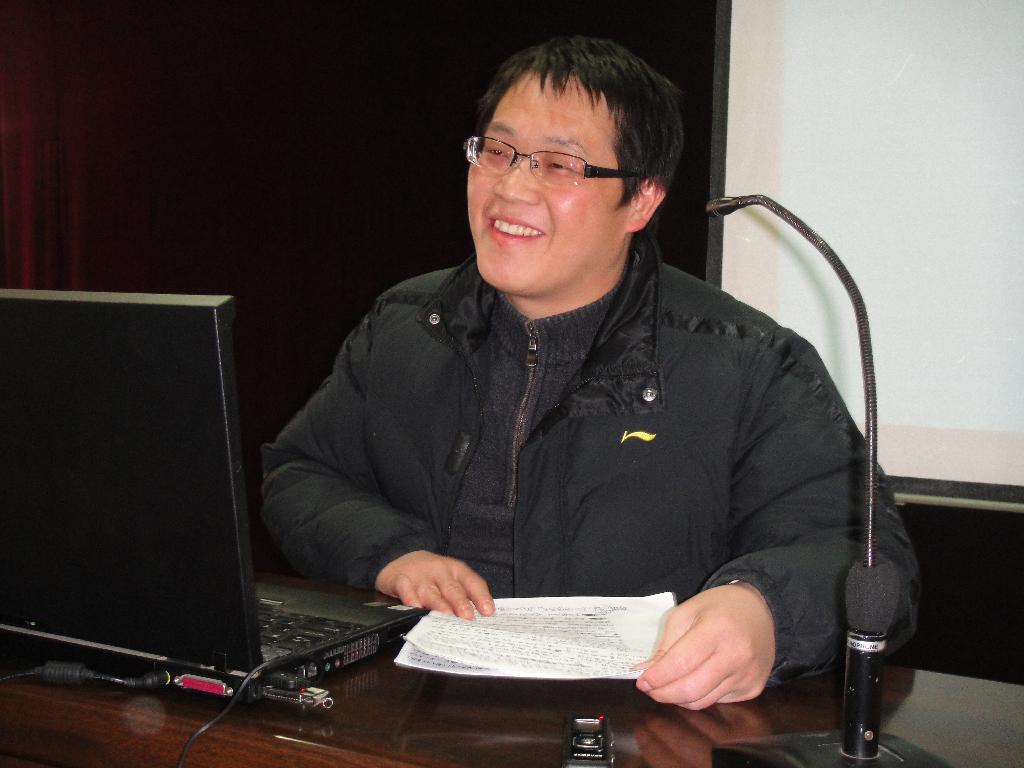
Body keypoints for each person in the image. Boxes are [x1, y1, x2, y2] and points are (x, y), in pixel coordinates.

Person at [261, 36, 918, 710]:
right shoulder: (406, 326)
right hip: (410, 711)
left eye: (559, 164)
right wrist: (391, 553)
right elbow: (300, 472)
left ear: (642, 200)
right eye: (498, 150)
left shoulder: (747, 362)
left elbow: (869, 556)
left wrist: (764, 609)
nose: (511, 187)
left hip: (641, 724)